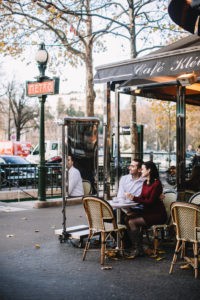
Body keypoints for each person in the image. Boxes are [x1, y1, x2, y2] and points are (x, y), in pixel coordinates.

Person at [125, 161, 167, 257]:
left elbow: (150, 201)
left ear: (149, 170)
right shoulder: (145, 182)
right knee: (127, 218)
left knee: (132, 222)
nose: (141, 171)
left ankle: (137, 248)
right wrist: (133, 198)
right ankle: (139, 247)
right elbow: (142, 197)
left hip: (157, 214)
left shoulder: (157, 184)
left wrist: (133, 198)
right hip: (147, 212)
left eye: (143, 169)